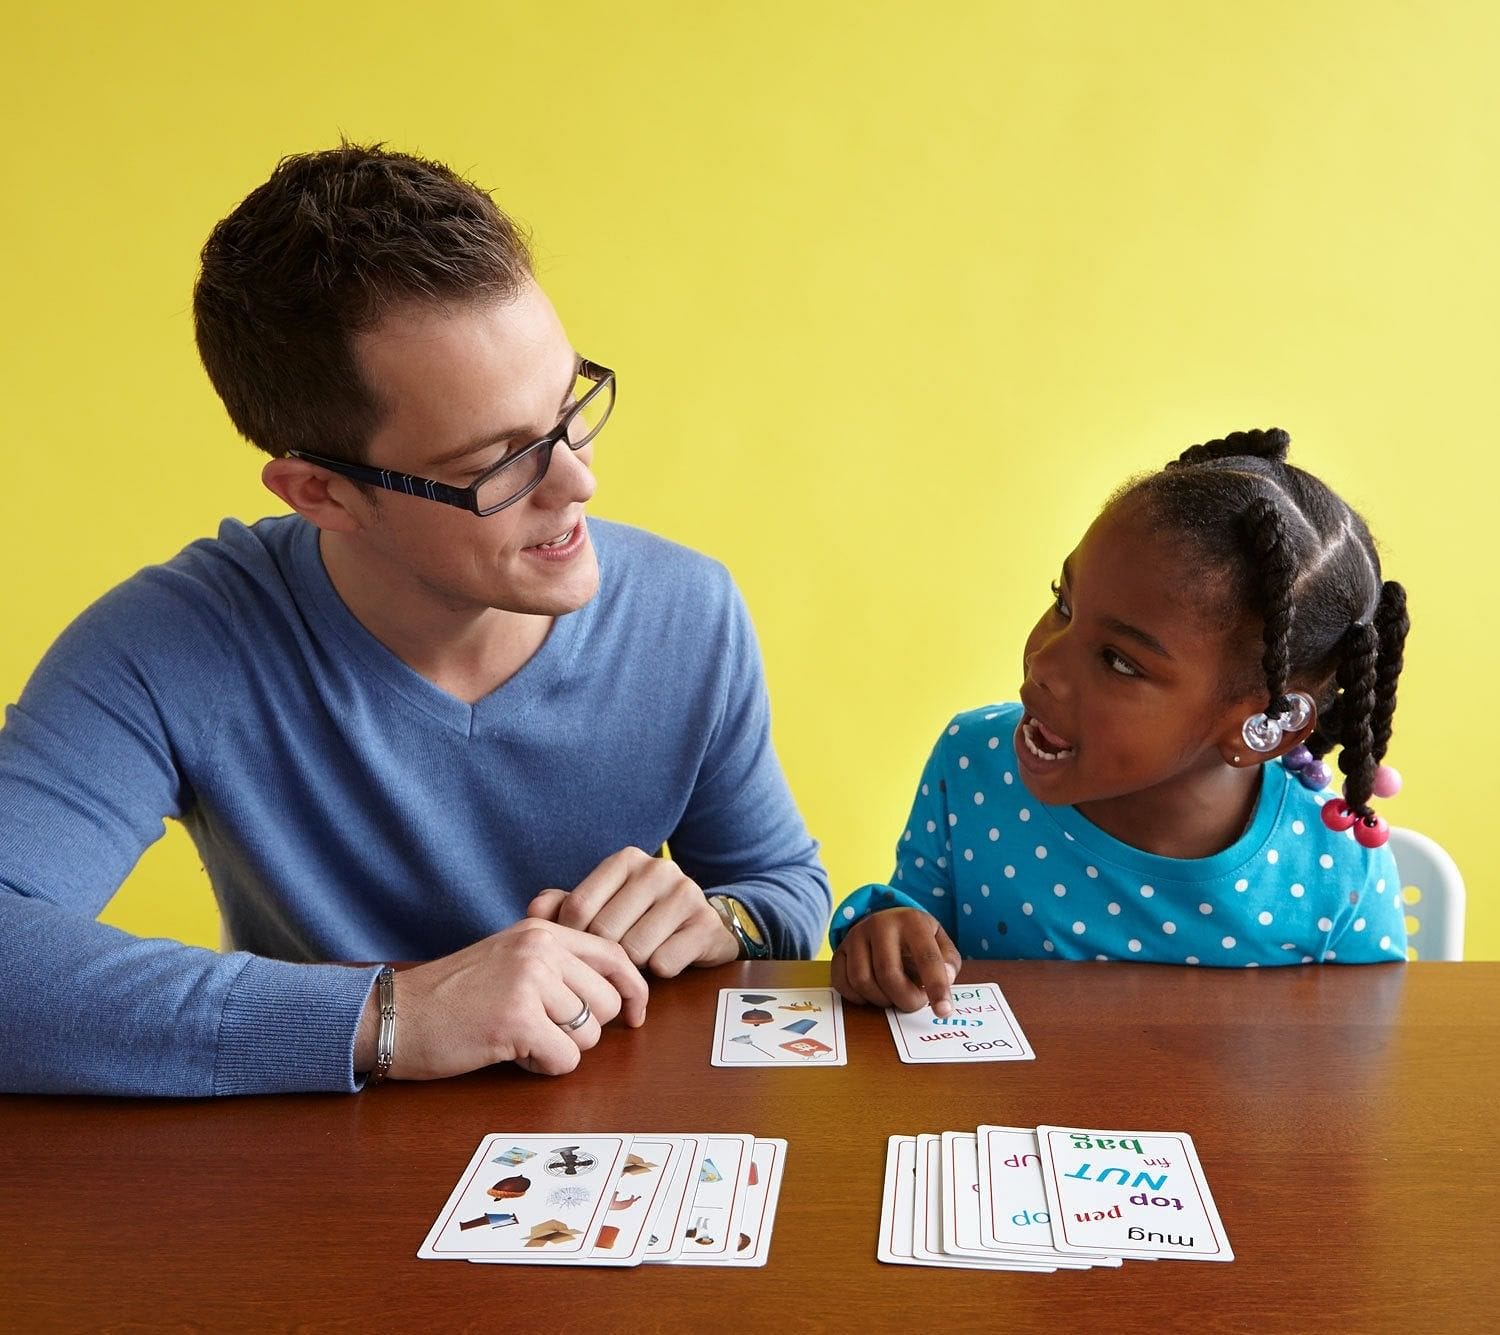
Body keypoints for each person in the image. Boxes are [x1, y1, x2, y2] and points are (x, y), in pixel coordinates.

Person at [0, 143, 829, 1096]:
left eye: (568, 408)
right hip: (313, 1181)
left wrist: (717, 921)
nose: (578, 481)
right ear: (323, 492)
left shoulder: (692, 611)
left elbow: (786, 893)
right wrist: (393, 1015)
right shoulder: (169, 645)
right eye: (497, 460)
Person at [830, 428, 1410, 1017]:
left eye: (1119, 661)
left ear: (1264, 723)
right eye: (1064, 603)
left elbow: (1363, 1058)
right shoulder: (972, 763)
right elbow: (915, 936)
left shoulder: (1336, 870)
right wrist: (884, 933)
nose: (1044, 663)